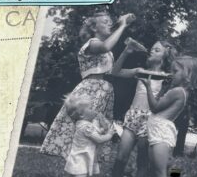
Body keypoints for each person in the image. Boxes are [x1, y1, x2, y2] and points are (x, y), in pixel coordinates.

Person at [40, 11, 135, 161]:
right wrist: (122, 26)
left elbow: (114, 71)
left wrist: (127, 54)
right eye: (104, 22)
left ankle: (82, 165)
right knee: (84, 125)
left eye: (110, 21)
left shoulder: (108, 53)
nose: (109, 23)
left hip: (103, 90)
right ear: (94, 29)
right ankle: (75, 168)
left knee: (94, 127)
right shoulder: (92, 43)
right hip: (91, 89)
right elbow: (105, 47)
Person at [110, 40, 177, 177]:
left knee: (142, 162)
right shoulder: (140, 71)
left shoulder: (168, 78)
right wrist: (127, 51)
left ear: (165, 56)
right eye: (152, 48)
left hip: (150, 120)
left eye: (157, 50)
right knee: (120, 157)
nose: (152, 51)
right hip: (133, 116)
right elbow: (115, 72)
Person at [141, 55, 197, 177]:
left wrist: (148, 87)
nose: (171, 74)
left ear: (187, 73)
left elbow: (155, 107)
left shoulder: (177, 92)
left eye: (175, 71)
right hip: (158, 131)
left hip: (161, 132)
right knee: (155, 173)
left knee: (160, 174)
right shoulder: (180, 91)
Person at [61, 95, 115, 177]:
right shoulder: (87, 127)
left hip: (74, 159)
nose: (93, 110)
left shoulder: (81, 124)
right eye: (89, 108)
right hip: (81, 161)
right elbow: (99, 139)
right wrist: (110, 135)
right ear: (81, 115)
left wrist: (101, 130)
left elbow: (95, 132)